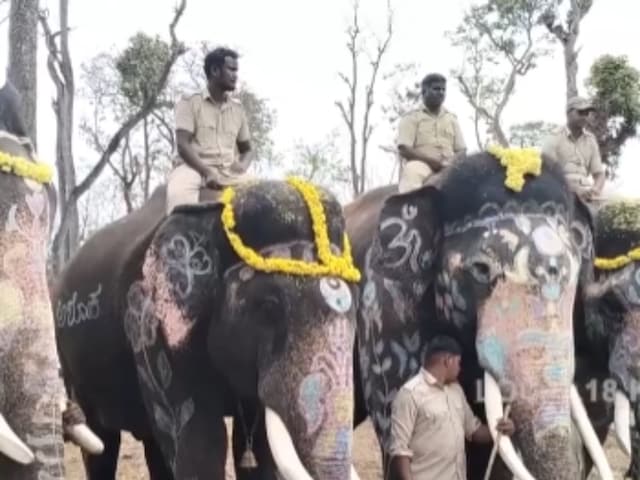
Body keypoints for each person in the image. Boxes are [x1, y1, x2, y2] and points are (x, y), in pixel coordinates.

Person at [389, 335, 515, 480]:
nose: (460, 369)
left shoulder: (456, 391)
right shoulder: (410, 394)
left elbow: (474, 431)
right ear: (447, 361)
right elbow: (400, 452)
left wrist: (500, 429)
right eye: (458, 363)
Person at [166, 47, 253, 214]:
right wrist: (206, 171)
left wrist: (242, 166)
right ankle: (177, 240)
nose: (236, 75)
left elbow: (247, 149)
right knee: (180, 202)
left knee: (264, 196)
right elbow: (183, 145)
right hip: (192, 169)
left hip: (228, 170)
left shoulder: (238, 108)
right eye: (231, 70)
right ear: (214, 70)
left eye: (237, 70)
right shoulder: (189, 101)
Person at [396, 73, 466, 193]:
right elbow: (404, 148)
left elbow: (462, 150)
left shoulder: (452, 119)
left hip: (451, 167)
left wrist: (451, 164)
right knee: (411, 171)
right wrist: (434, 163)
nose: (441, 92)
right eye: (436, 89)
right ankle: (409, 209)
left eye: (443, 90)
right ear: (424, 92)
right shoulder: (412, 117)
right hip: (422, 166)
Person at [541, 96, 605, 201]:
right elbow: (546, 172)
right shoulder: (554, 137)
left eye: (587, 113)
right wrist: (574, 189)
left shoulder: (591, 140)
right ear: (568, 113)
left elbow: (599, 174)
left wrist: (595, 190)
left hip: (586, 194)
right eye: (580, 112)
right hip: (560, 193)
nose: (585, 117)